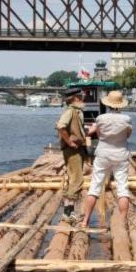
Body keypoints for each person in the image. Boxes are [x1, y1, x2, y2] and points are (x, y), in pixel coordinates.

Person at [79, 90, 132, 228]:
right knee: (122, 188)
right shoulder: (126, 119)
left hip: (103, 154)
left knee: (95, 187)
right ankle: (122, 222)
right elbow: (128, 135)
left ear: (107, 104)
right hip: (120, 154)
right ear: (121, 105)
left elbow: (98, 134)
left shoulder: (100, 118)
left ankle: (85, 221)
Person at [56, 88, 87, 223]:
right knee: (77, 179)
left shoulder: (76, 111)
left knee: (73, 179)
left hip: (76, 149)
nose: (82, 99)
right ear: (75, 98)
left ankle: (69, 211)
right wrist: (69, 141)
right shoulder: (70, 112)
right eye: (80, 97)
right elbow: (60, 126)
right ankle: (68, 213)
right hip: (73, 149)